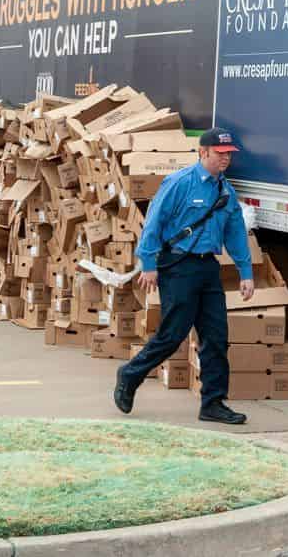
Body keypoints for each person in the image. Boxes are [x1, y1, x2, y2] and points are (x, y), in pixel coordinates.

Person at [116, 128, 255, 425]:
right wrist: (149, 263)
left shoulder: (225, 191)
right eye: (220, 154)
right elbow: (154, 222)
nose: (225, 160)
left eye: (229, 155)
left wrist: (246, 272)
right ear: (203, 152)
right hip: (178, 267)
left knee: (216, 337)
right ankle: (130, 375)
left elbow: (235, 233)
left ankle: (213, 403)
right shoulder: (178, 183)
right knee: (172, 335)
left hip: (208, 268)